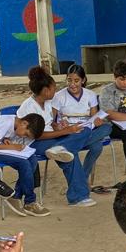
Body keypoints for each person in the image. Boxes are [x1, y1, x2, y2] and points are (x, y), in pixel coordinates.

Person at [19, 67, 96, 207]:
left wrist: (60, 126)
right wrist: (64, 132)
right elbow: (38, 135)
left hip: (53, 139)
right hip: (34, 143)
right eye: (54, 88)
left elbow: (52, 123)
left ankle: (62, 148)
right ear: (45, 90)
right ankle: (78, 196)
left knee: (83, 130)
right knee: (69, 153)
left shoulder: (49, 103)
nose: (56, 92)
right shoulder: (28, 107)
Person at [0, 112, 55, 217]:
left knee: (32, 160)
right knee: (23, 163)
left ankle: (16, 196)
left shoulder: (16, 124)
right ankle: (30, 202)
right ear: (24, 123)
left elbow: (1, 139)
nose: (24, 136)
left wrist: (6, 141)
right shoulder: (6, 122)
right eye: (26, 134)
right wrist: (13, 147)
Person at [52, 63, 112, 193]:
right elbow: (53, 121)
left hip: (86, 129)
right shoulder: (59, 96)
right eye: (69, 80)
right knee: (97, 146)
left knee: (107, 128)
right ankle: (81, 183)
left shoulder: (90, 94)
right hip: (69, 131)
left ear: (83, 80)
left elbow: (94, 116)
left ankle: (80, 181)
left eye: (76, 80)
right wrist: (60, 125)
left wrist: (97, 121)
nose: (72, 84)